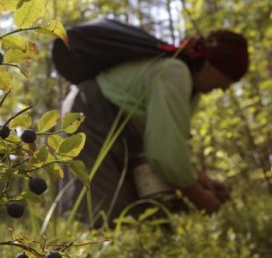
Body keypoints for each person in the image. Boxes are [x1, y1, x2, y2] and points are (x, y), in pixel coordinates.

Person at [56, 22, 249, 228]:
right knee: (105, 214)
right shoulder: (175, 72)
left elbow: (167, 142)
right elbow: (164, 155)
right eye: (227, 78)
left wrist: (202, 180)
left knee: (142, 215)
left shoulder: (187, 85)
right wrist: (203, 200)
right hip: (89, 113)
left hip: (111, 122)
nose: (225, 88)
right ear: (211, 66)